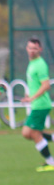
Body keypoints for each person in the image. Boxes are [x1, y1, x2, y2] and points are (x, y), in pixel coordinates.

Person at [19, 38, 54, 172]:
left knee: (30, 132)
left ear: (40, 50)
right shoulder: (32, 63)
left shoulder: (40, 64)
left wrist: (32, 98)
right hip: (37, 103)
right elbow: (36, 84)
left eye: (35, 48)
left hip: (41, 104)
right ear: (27, 48)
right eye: (30, 48)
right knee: (28, 133)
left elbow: (46, 85)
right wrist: (29, 96)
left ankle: (51, 162)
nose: (32, 50)